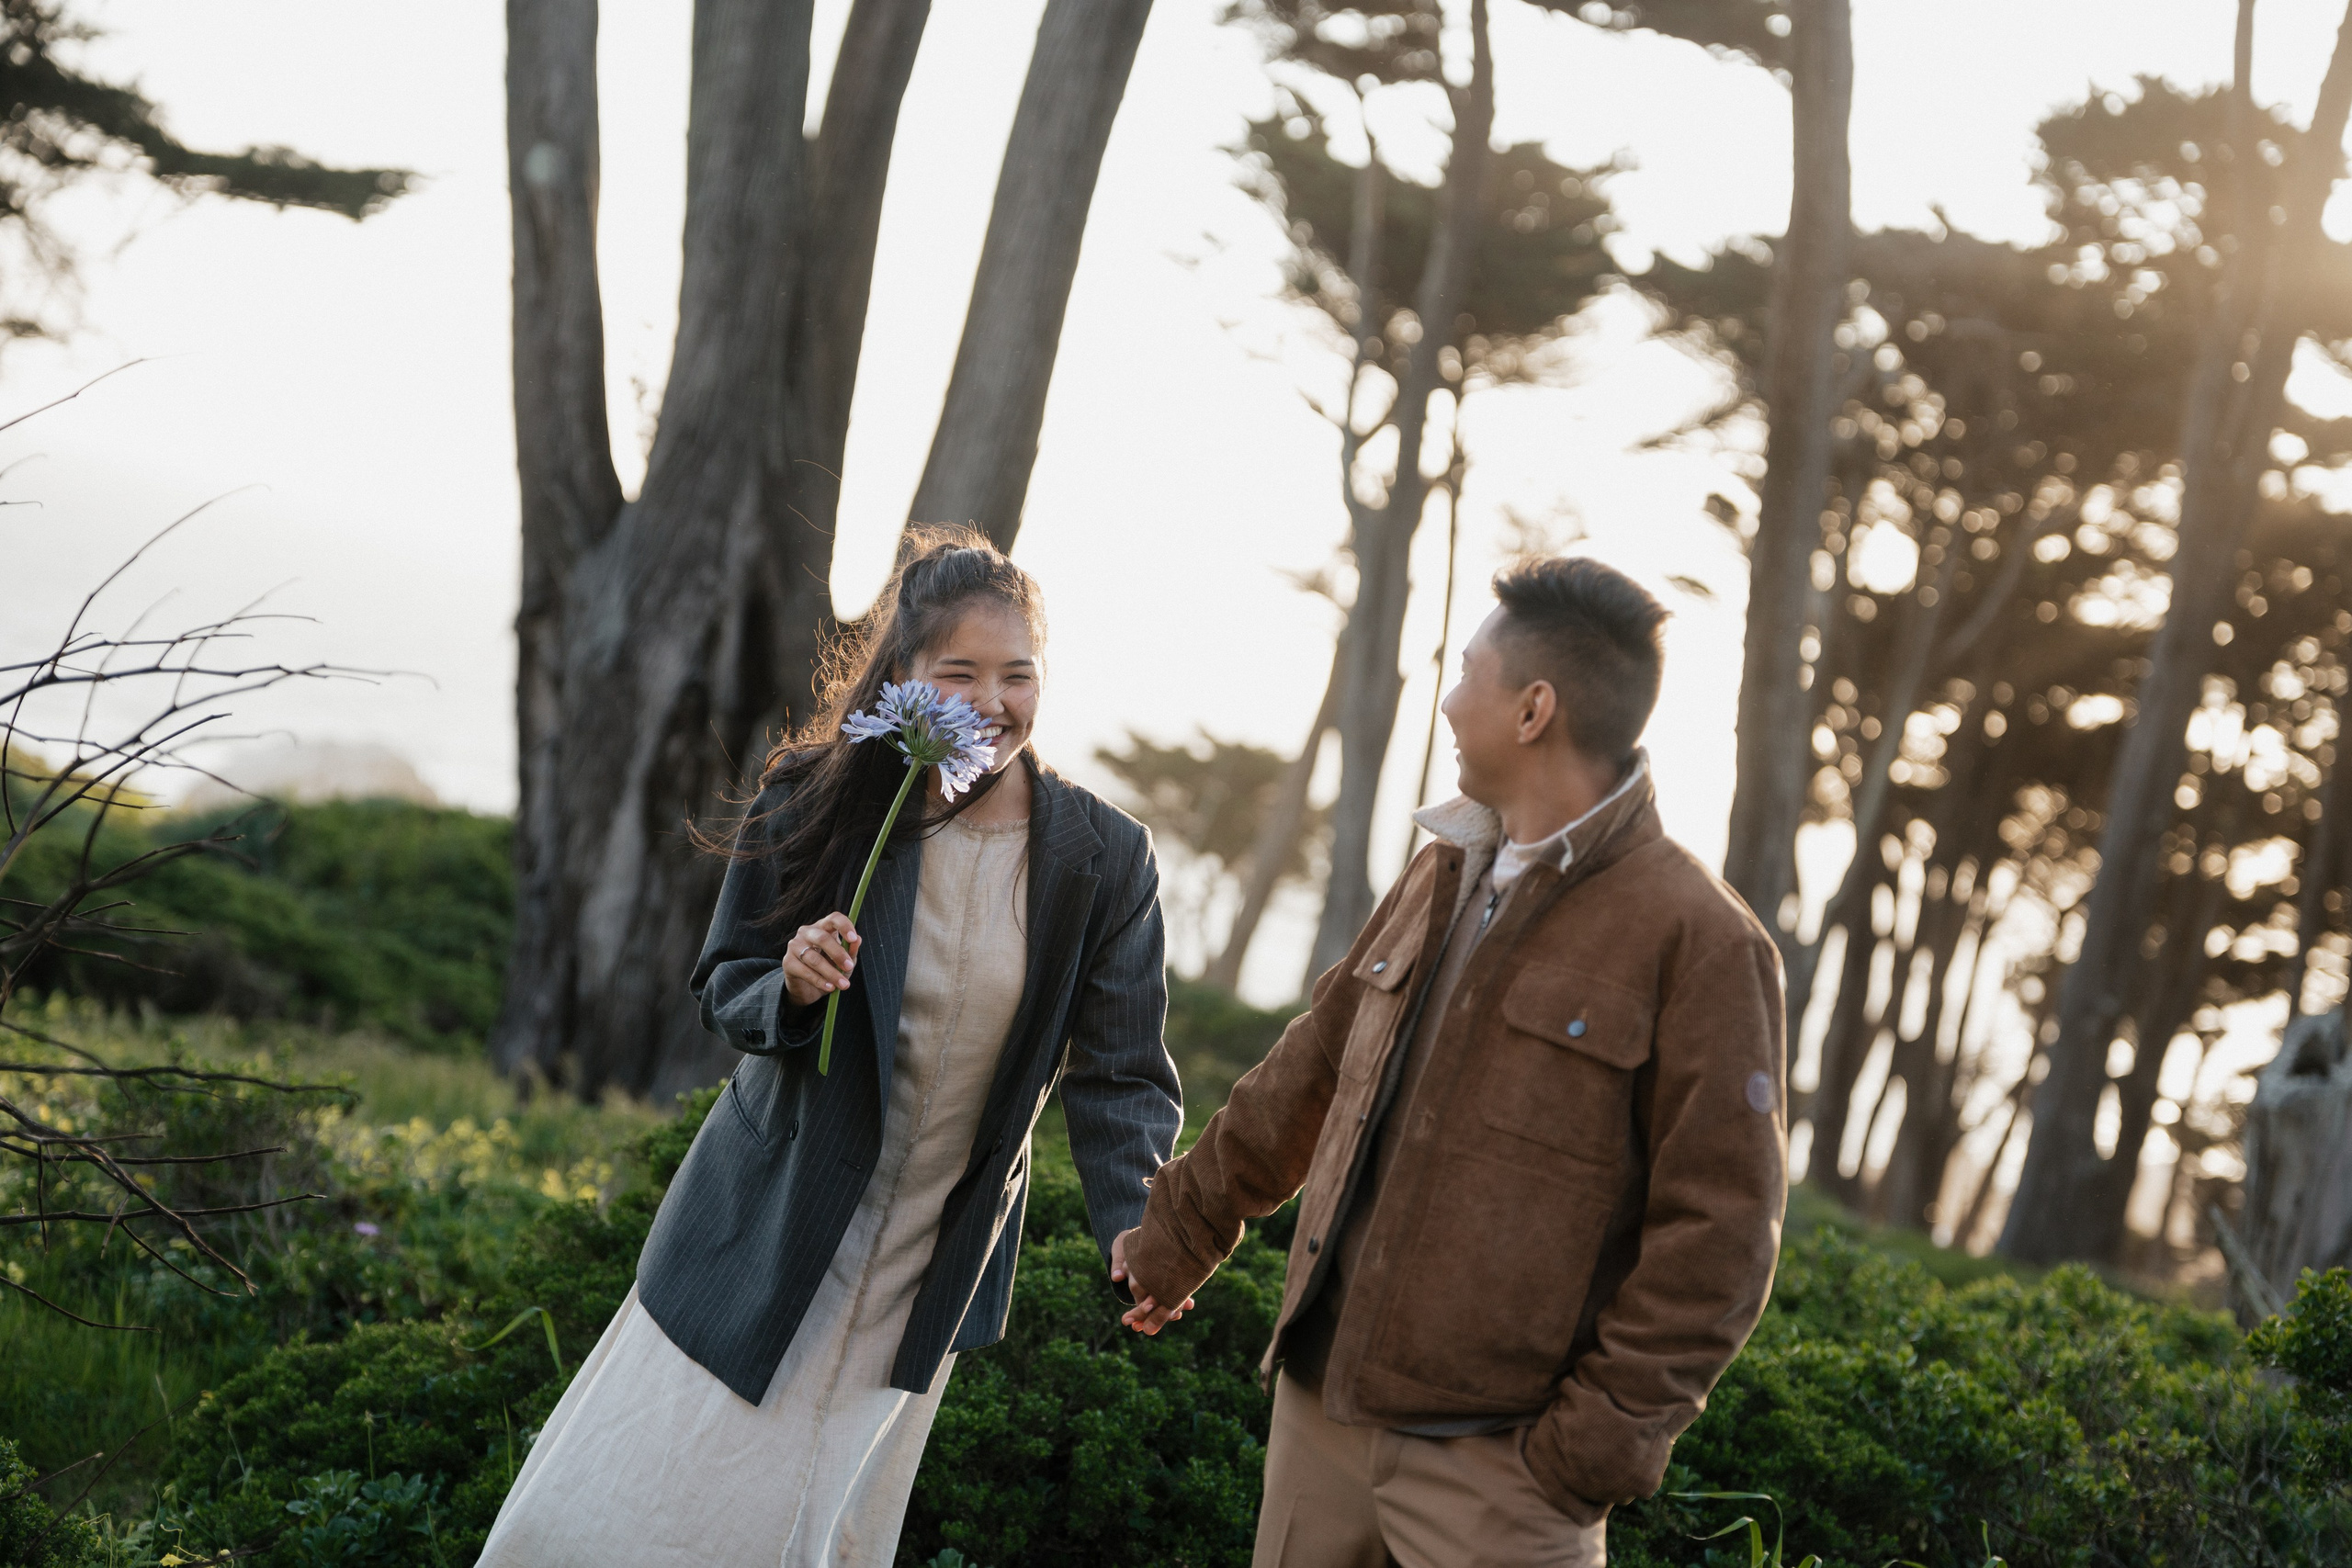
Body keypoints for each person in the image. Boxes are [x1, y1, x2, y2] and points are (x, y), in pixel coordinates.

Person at [478, 529, 1183, 1568]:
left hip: (928, 1254)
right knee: (642, 1508)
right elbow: (727, 983)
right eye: (960, 674)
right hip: (767, 1224)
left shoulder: (1105, 858)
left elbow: (1122, 1073)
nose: (992, 703)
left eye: (1018, 675)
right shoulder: (822, 794)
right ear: (902, 677)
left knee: (819, 1527)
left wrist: (1142, 1225)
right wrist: (794, 984)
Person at [1112, 555, 1787, 1568]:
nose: (1449, 701)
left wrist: (1587, 1453)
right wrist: (1178, 1233)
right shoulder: (1446, 864)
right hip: (1318, 1416)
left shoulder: (1700, 938)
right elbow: (1315, 1065)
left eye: (1468, 673)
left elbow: (1722, 1230)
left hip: (1504, 1479)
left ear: (1533, 711)